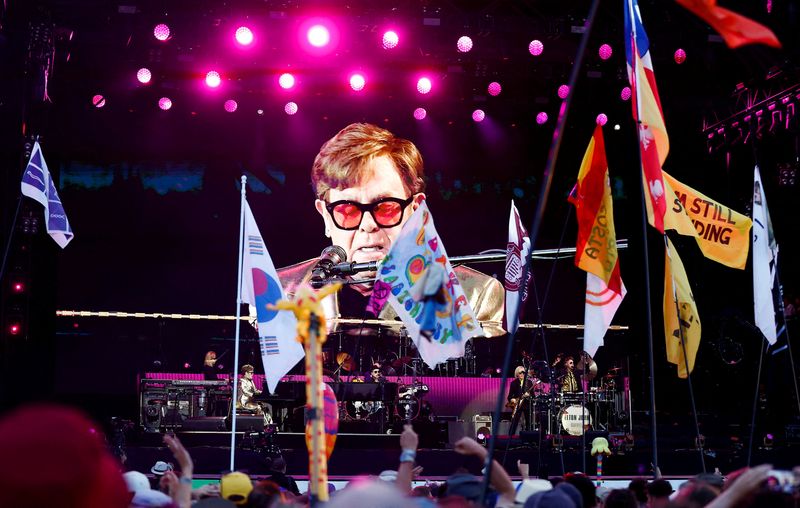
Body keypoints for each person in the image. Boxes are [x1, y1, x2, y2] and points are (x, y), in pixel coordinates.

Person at [277, 123, 505, 364]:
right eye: (348, 210)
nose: (367, 224)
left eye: (385, 207)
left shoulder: (475, 295)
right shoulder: (278, 294)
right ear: (325, 216)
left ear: (415, 210)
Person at [507, 366, 535, 433]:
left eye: (523, 372)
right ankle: (511, 438)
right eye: (520, 373)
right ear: (517, 374)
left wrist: (529, 395)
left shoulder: (529, 382)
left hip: (527, 405)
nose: (522, 374)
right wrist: (512, 399)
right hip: (518, 405)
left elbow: (533, 396)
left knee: (529, 423)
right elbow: (509, 397)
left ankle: (529, 439)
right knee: (514, 422)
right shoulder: (513, 383)